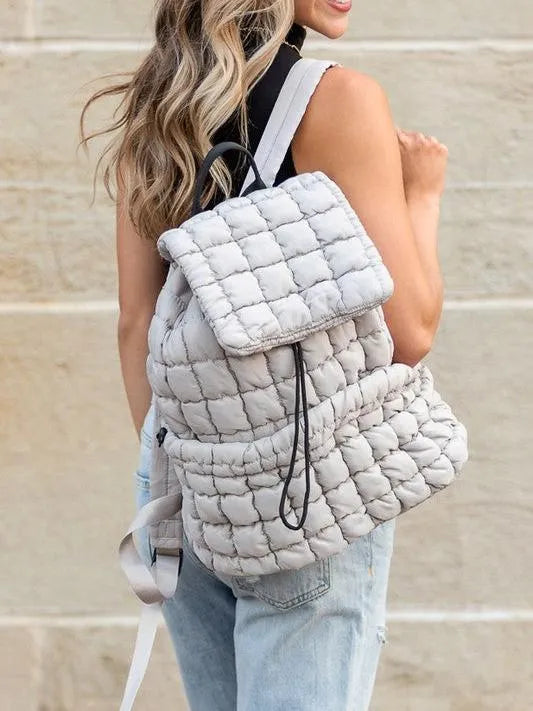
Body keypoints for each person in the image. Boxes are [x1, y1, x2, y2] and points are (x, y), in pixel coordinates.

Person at [82, 1, 448, 709]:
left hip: (179, 487)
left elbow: (137, 321)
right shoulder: (338, 100)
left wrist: (198, 469)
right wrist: (421, 196)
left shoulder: (157, 108)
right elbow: (409, 332)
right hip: (301, 491)